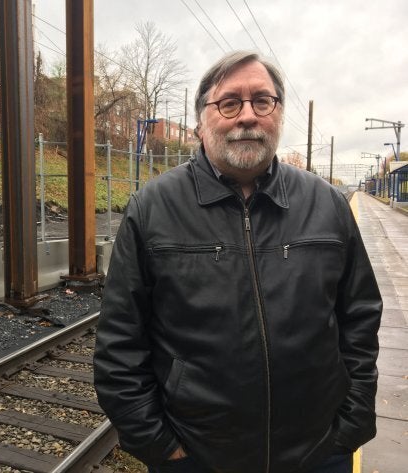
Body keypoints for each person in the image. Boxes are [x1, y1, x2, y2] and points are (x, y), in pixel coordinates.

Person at [93, 51, 382, 473]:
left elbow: (360, 318)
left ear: (278, 115)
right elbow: (120, 341)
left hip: (317, 452)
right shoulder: (153, 208)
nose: (247, 115)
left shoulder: (328, 205)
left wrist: (350, 425)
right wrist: (159, 446)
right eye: (229, 103)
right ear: (201, 122)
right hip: (197, 455)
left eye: (262, 101)